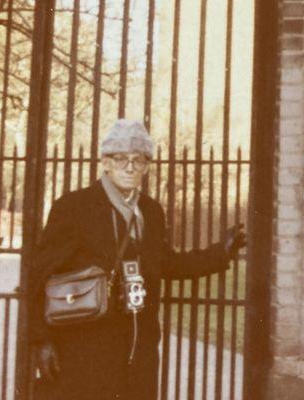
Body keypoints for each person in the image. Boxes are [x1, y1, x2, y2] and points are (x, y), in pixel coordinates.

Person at [28, 119, 246, 400]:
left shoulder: (151, 212)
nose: (129, 167)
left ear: (146, 166)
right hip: (84, 349)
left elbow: (167, 263)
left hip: (138, 349)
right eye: (120, 159)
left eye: (138, 160)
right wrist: (40, 340)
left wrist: (220, 252)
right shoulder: (74, 207)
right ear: (105, 162)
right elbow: (39, 275)